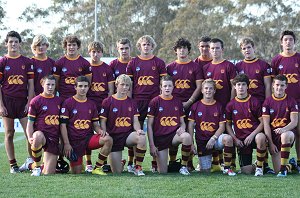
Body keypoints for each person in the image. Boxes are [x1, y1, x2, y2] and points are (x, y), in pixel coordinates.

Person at [126, 35, 167, 171]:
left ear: (152, 46)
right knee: (135, 131)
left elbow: (163, 85)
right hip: (138, 101)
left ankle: (155, 164)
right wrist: (130, 101)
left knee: (156, 131)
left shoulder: (159, 63)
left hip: (154, 101)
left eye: (149, 44)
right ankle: (132, 163)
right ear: (139, 46)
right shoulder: (133, 63)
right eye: (144, 44)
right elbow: (130, 85)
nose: (146, 46)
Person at [235, 37, 274, 174]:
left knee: (263, 135)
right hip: (243, 104)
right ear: (241, 50)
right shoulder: (238, 66)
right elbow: (236, 86)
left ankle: (265, 165)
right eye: (244, 48)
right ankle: (255, 164)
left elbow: (268, 86)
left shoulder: (263, 65)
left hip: (260, 104)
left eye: (249, 47)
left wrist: (268, 104)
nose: (247, 50)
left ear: (254, 48)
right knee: (246, 171)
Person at [60, 76, 113, 174]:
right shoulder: (68, 103)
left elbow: (95, 125)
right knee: (77, 172)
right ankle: (80, 163)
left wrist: (100, 131)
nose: (83, 88)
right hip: (73, 142)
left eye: (85, 86)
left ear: (89, 87)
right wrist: (66, 144)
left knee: (108, 139)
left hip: (87, 139)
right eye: (80, 86)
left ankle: (97, 168)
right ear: (75, 87)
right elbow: (63, 126)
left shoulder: (91, 104)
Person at [166, 37, 203, 170]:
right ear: (175, 51)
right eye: (179, 48)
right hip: (174, 106)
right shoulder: (170, 67)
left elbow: (199, 87)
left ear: (188, 50)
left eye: (184, 48)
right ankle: (172, 161)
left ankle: (189, 163)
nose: (182, 50)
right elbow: (166, 86)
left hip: (192, 104)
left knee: (190, 132)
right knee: (174, 132)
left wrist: (190, 102)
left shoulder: (195, 66)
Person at [0, 31, 34, 173]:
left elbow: (31, 84)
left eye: (16, 41)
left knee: (29, 134)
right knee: (9, 133)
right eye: (10, 41)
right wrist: (0, 105)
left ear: (20, 44)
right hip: (7, 101)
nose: (13, 44)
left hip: (23, 102)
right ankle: (13, 165)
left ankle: (32, 161)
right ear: (6, 43)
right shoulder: (2, 62)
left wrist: (29, 103)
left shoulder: (26, 61)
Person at [100, 74, 147, 176]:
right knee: (117, 172)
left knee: (142, 137)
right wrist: (104, 132)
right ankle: (121, 163)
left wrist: (138, 130)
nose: (125, 87)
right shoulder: (107, 101)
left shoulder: (132, 102)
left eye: (127, 85)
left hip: (127, 135)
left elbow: (135, 121)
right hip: (114, 137)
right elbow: (103, 121)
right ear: (116, 84)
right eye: (122, 84)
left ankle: (138, 167)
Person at [188, 78, 235, 175]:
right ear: (202, 90)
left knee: (228, 138)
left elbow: (222, 126)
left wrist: (213, 138)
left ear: (214, 91)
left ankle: (227, 168)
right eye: (206, 88)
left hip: (215, 139)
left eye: (210, 88)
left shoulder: (219, 106)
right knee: (205, 172)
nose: (208, 90)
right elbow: (191, 125)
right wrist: (192, 144)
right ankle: (213, 163)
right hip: (202, 142)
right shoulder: (195, 106)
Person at [203, 38, 237, 169]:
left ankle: (231, 164)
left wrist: (230, 103)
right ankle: (217, 163)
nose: (215, 50)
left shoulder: (229, 66)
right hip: (212, 108)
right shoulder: (206, 67)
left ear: (222, 50)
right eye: (212, 48)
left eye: (217, 48)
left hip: (226, 106)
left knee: (228, 134)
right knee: (214, 132)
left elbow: (233, 86)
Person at [147, 75, 192, 175]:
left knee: (187, 137)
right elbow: (149, 125)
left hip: (174, 136)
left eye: (169, 86)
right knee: (163, 172)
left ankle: (183, 167)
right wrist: (152, 145)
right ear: (160, 87)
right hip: (160, 138)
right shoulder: (154, 102)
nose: (167, 88)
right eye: (165, 86)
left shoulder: (177, 101)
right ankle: (158, 164)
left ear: (173, 87)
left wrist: (183, 127)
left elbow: (182, 122)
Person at [226, 74, 267, 176]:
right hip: (241, 141)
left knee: (261, 137)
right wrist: (235, 139)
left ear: (247, 86)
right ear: (234, 87)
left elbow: (262, 122)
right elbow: (227, 125)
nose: (241, 87)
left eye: (243, 84)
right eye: (238, 84)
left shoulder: (255, 102)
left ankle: (259, 168)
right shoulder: (230, 105)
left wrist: (252, 135)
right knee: (246, 171)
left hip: (254, 136)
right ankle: (257, 163)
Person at [271, 30, 300, 170]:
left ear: (294, 42)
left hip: (298, 102)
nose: (288, 42)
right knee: (279, 132)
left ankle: (299, 162)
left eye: (291, 39)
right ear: (281, 42)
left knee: (299, 131)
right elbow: (273, 82)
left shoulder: (299, 58)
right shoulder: (276, 60)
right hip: (281, 103)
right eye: (285, 39)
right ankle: (274, 165)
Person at [26, 75, 63, 176]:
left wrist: (62, 140)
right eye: (48, 84)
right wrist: (30, 137)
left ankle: (30, 165)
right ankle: (37, 167)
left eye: (52, 85)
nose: (50, 87)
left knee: (48, 173)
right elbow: (30, 123)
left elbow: (62, 124)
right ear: (42, 84)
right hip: (42, 135)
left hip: (54, 138)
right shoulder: (36, 101)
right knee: (37, 136)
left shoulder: (60, 101)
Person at [262, 74, 298, 177]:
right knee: (276, 170)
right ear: (273, 85)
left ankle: (283, 171)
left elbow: (294, 122)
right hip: (273, 138)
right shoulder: (267, 102)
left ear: (286, 86)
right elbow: (266, 125)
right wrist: (271, 143)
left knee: (285, 135)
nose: (279, 88)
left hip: (287, 134)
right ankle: (291, 165)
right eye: (277, 85)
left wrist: (283, 129)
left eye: (282, 85)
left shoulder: (291, 101)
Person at [109, 38, 135, 172]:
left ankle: (131, 163)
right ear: (117, 49)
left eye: (126, 48)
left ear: (130, 48)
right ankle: (119, 162)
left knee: (135, 132)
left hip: (133, 104)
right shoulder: (113, 64)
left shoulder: (135, 62)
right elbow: (111, 85)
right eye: (121, 48)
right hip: (116, 106)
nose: (124, 51)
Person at [53, 35, 92, 100]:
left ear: (78, 46)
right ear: (65, 46)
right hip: (63, 98)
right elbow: (56, 83)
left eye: (74, 45)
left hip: (79, 99)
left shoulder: (85, 63)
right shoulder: (59, 63)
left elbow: (88, 83)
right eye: (69, 45)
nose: (71, 47)